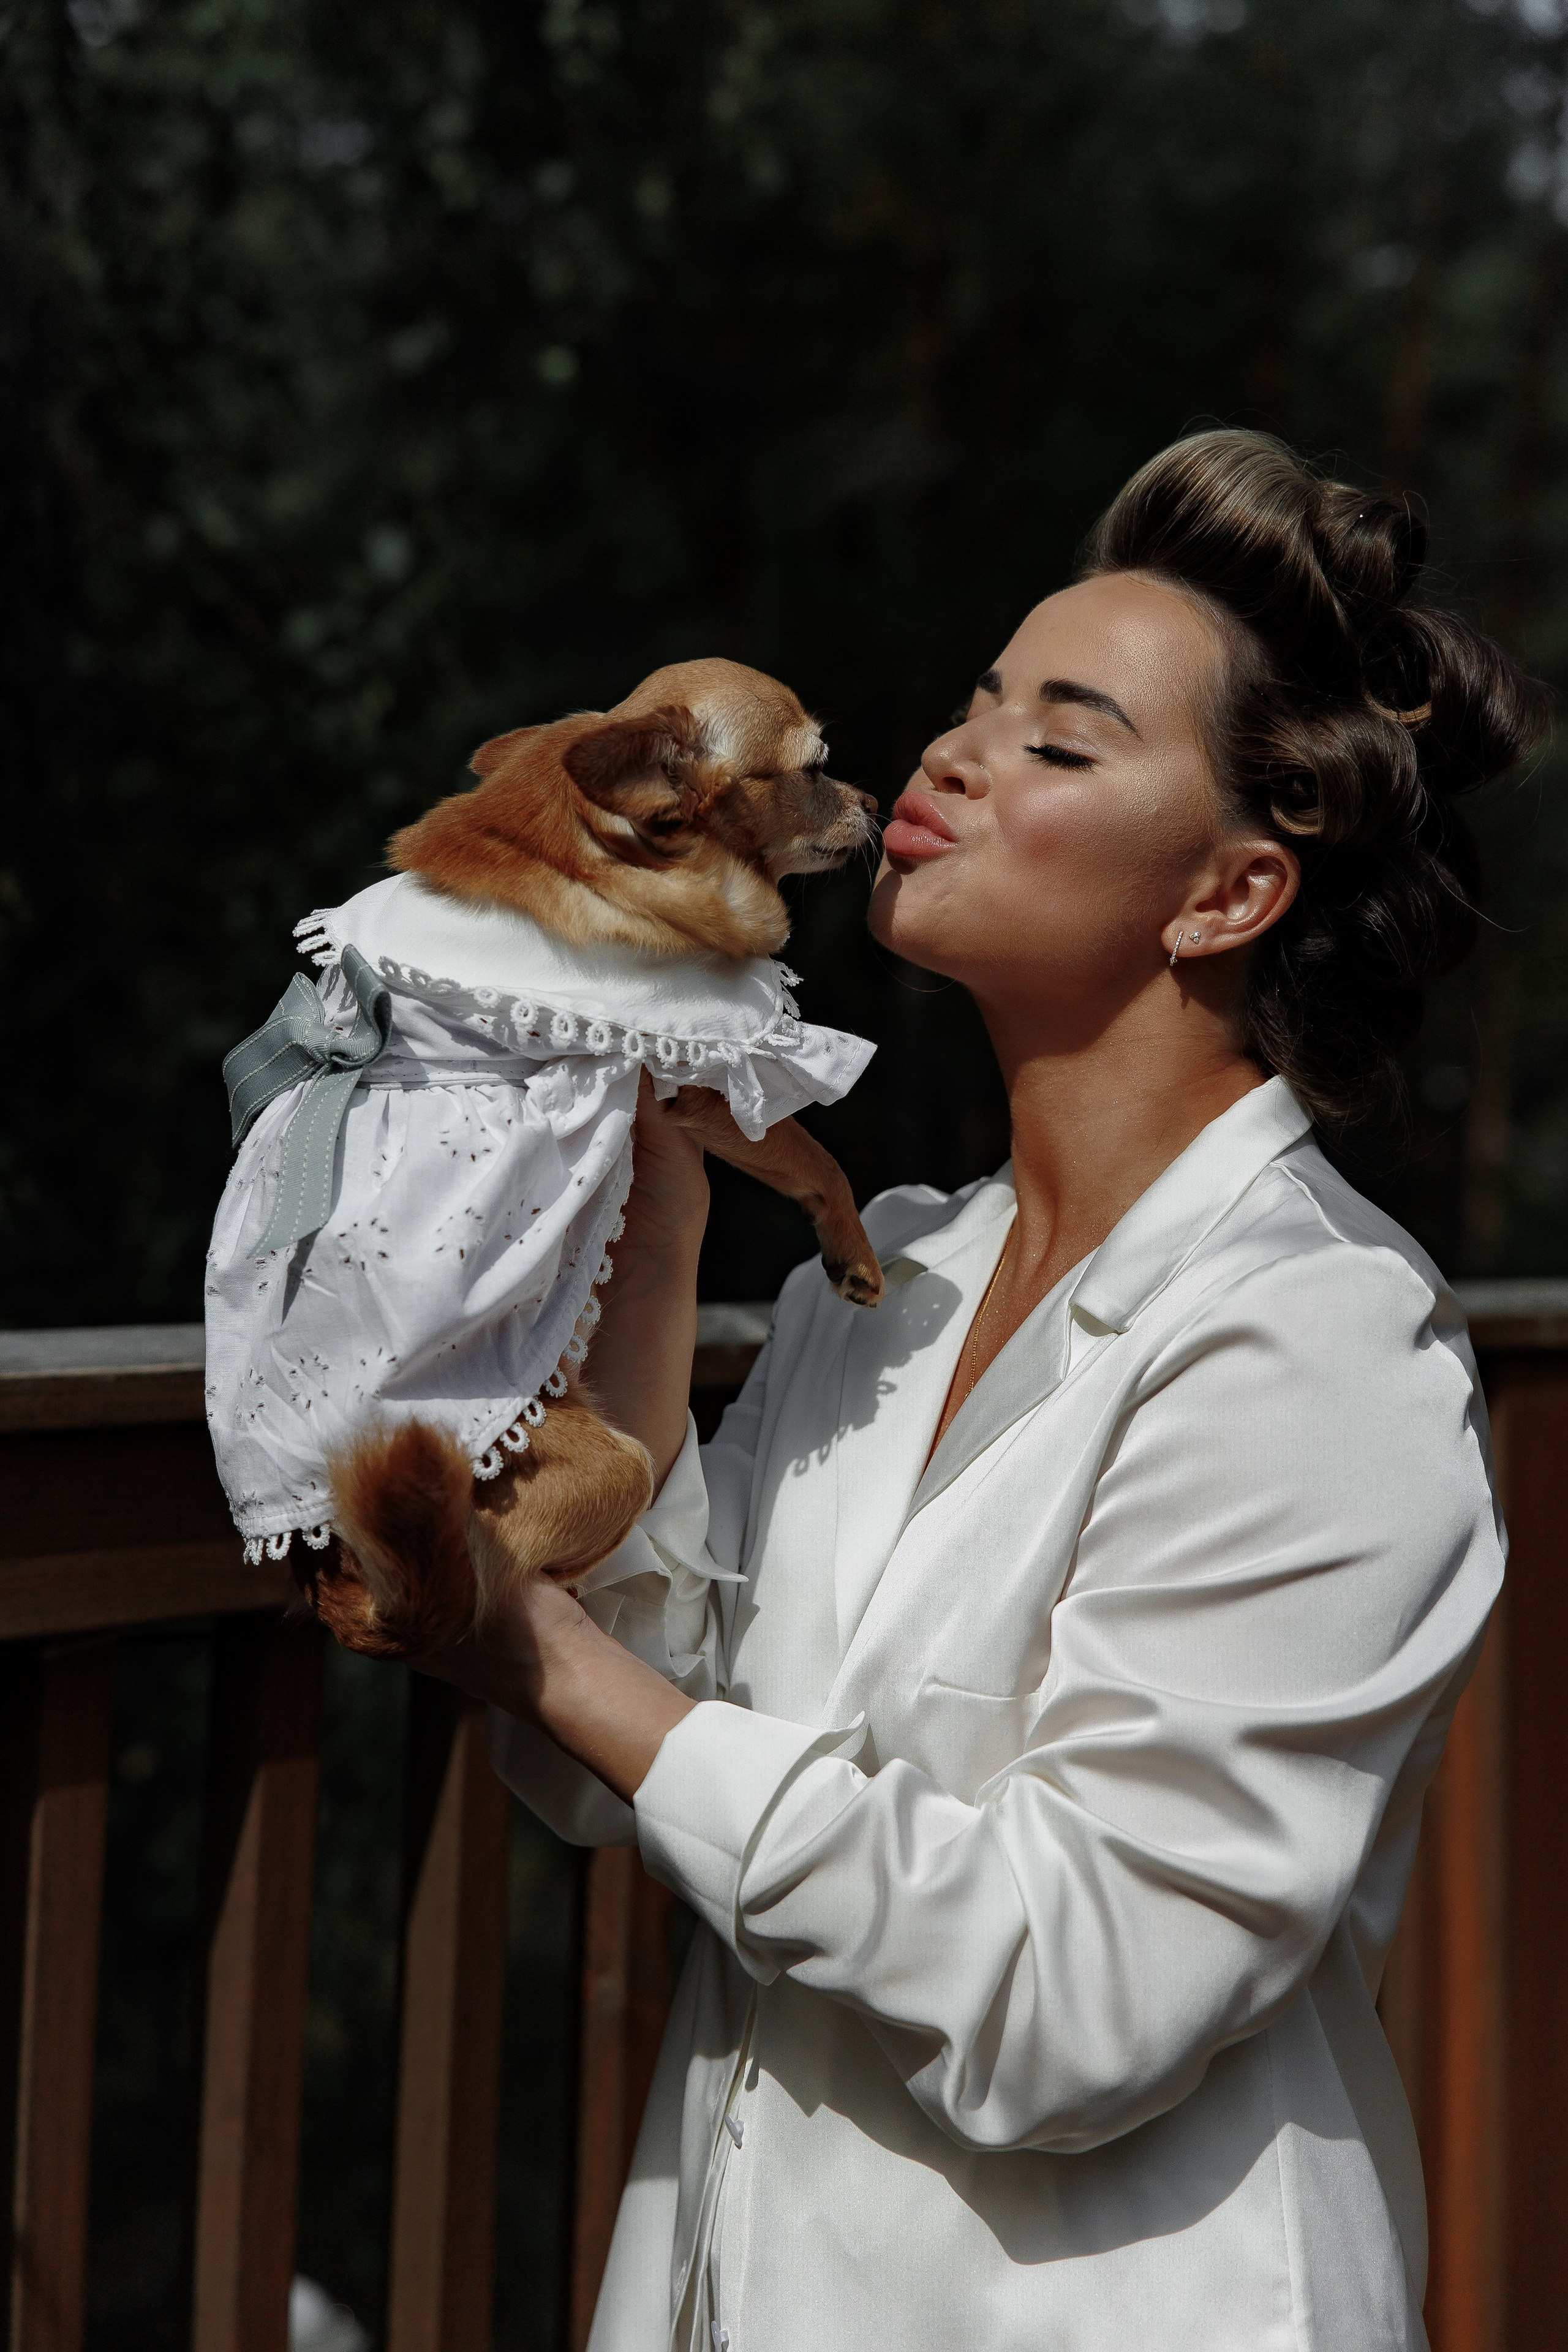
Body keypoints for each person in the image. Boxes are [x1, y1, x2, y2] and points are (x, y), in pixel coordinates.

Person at [422, 429, 1549, 2351]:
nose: (949, 757)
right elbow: (629, 1746)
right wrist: (662, 1216)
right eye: (973, 703)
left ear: (1226, 895)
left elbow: (1080, 1994)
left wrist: (552, 1663)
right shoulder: (898, 1276)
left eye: (1061, 738)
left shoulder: (1320, 1346)